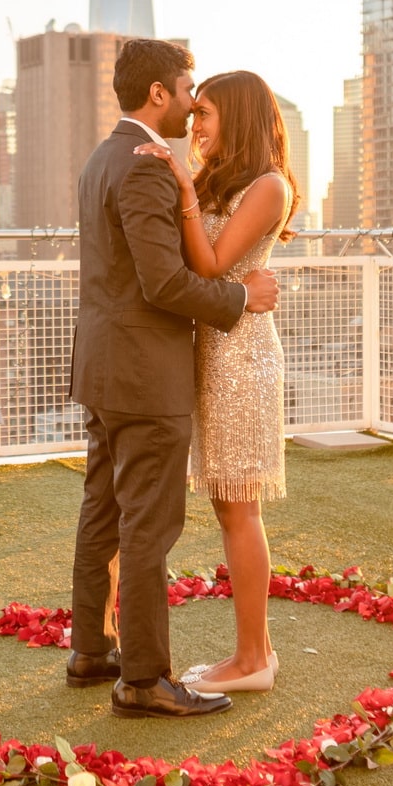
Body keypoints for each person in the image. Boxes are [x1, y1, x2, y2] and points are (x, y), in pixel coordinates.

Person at [66, 39, 281, 719]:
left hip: (103, 368)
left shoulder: (104, 158)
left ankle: (92, 652)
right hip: (144, 375)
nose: (192, 109)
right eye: (188, 92)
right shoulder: (148, 167)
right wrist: (243, 299)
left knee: (102, 512)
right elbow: (164, 282)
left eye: (205, 102)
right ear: (158, 93)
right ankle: (143, 678)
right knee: (146, 528)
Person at [131, 69, 297, 694]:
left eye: (205, 112)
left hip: (241, 358)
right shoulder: (221, 177)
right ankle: (258, 653)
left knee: (238, 508)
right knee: (230, 507)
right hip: (215, 350)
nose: (194, 124)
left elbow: (210, 263)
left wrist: (182, 187)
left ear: (241, 115)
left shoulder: (268, 184)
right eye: (193, 111)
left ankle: (253, 661)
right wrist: (187, 185)